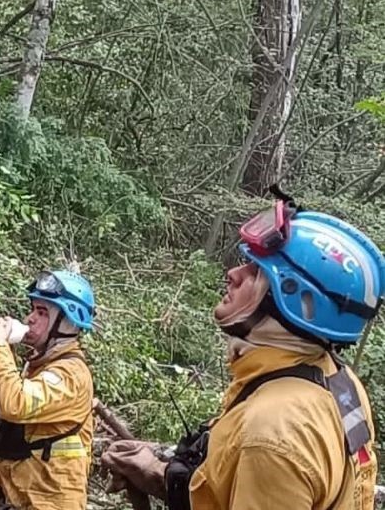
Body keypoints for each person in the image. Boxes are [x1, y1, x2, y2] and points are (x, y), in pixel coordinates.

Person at [102, 203, 383, 510]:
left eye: (256, 271)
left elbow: (272, 457)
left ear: (297, 300)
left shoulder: (274, 431)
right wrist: (161, 470)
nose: (233, 274)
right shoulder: (336, 380)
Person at [0, 270, 96, 510]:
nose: (30, 318)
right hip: (20, 499)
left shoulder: (71, 375)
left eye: (42, 313)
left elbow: (15, 404)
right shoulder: (39, 365)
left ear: (68, 322)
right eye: (33, 309)